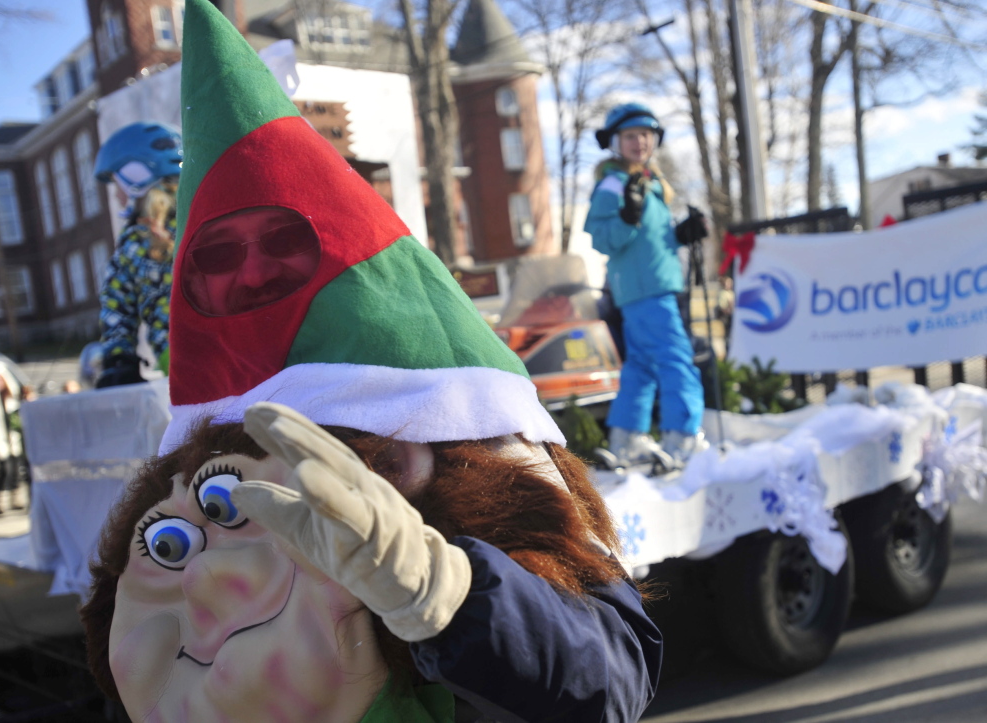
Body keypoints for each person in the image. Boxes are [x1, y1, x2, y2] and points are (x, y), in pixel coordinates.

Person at [79, 2, 663, 721]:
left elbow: (608, 681)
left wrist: (451, 597)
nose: (255, 275)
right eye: (223, 254)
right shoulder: (187, 499)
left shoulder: (480, 469)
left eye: (281, 244)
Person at [584, 102, 708, 467]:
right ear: (615, 142)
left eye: (645, 134)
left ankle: (627, 439)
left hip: (650, 286)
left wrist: (682, 235)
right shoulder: (613, 184)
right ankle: (684, 438)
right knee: (675, 359)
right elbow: (602, 238)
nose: (639, 142)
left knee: (641, 364)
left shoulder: (652, 183)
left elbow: (650, 239)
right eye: (630, 135)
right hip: (647, 290)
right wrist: (626, 216)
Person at [93, 121, 182, 387]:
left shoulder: (135, 241)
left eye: (116, 185)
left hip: (179, 359)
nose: (117, 197)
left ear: (136, 177)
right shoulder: (204, 219)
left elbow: (116, 303)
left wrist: (119, 358)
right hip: (240, 348)